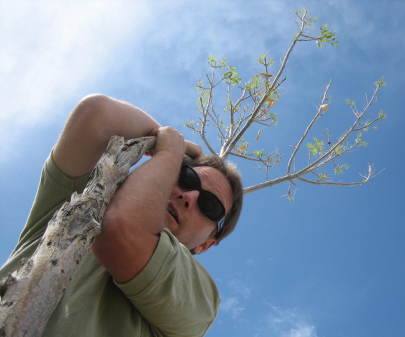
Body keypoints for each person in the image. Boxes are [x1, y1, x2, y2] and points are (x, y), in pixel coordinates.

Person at [0, 94, 243, 337]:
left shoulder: (198, 300)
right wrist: (166, 140)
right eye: (186, 177)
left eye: (210, 205)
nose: (189, 197)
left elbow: (122, 229)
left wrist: (169, 153)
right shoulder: (83, 199)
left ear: (207, 244)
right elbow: (98, 114)